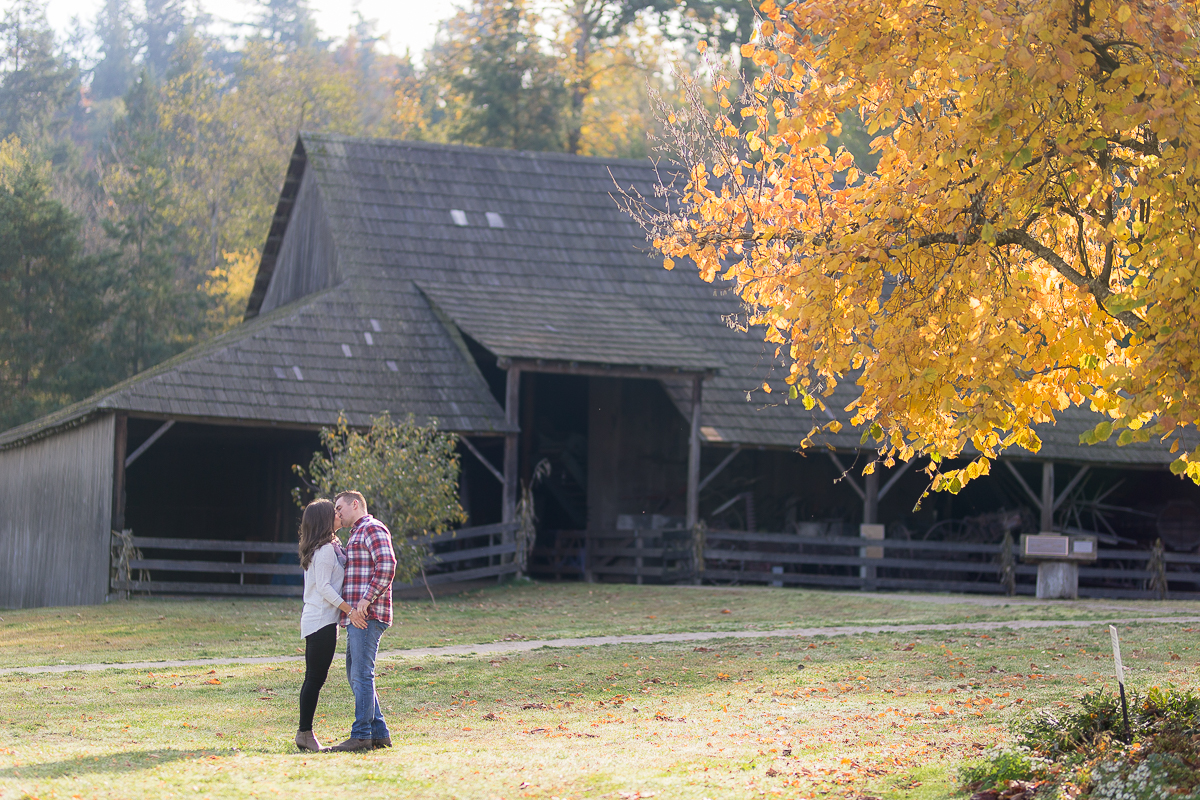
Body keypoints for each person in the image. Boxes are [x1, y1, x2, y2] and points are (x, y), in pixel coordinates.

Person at [327, 490, 397, 753]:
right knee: (354, 674)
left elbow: (388, 564)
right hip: (355, 617)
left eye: (339, 507)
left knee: (361, 674)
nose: (337, 513)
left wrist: (366, 601)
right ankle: (379, 733)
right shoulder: (355, 533)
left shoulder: (372, 526)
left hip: (368, 615)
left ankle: (361, 735)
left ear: (354, 504)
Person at [295, 498, 357, 752]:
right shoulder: (325, 551)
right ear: (324, 520)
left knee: (314, 678)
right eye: (334, 512)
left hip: (320, 620)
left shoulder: (328, 547)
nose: (339, 514)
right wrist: (350, 610)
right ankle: (304, 733)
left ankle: (304, 732)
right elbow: (324, 588)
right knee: (314, 679)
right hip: (320, 621)